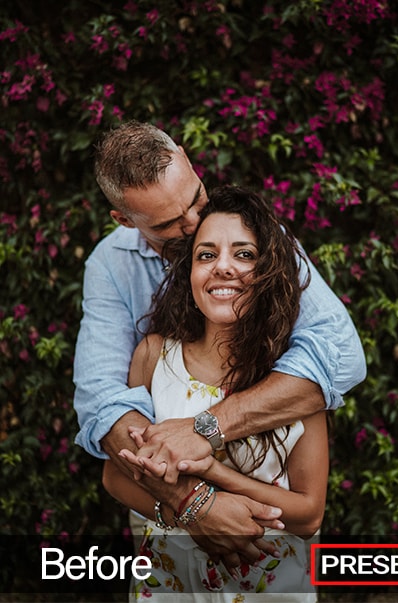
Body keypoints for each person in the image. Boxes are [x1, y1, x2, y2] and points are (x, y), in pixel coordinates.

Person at [73, 121, 365, 567]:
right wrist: (193, 506)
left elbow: (340, 356)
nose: (193, 226)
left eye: (195, 199)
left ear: (189, 161)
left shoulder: (259, 240)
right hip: (165, 522)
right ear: (125, 220)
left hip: (269, 530)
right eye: (169, 224)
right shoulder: (111, 269)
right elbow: (103, 404)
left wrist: (204, 428)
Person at [103, 186, 325, 600]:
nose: (223, 267)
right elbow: (115, 474)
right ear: (189, 272)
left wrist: (210, 471)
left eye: (244, 254)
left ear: (269, 272)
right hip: (171, 587)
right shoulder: (154, 357)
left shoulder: (293, 378)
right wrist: (189, 512)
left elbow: (309, 515)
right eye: (206, 254)